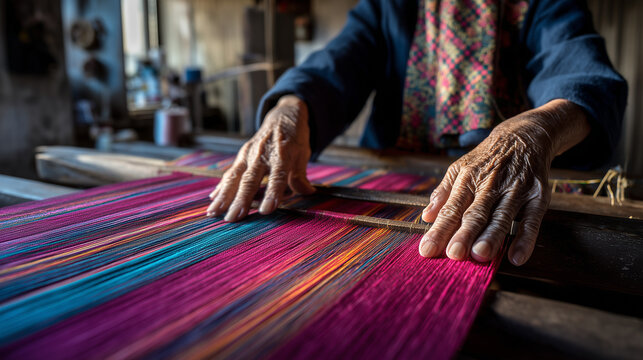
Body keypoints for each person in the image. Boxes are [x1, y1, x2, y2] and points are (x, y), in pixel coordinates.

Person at [206, 0, 627, 266]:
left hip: (501, 192)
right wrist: (288, 106)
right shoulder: (390, 6)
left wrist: (532, 131)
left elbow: (586, 79)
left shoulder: (546, 5)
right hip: (397, 179)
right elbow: (340, 61)